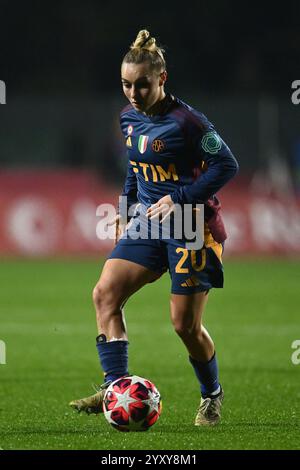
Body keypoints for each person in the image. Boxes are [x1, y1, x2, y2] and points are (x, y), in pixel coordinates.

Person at [70, 29, 239, 426]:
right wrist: (126, 210)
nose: (133, 92)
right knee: (105, 294)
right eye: (126, 84)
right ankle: (115, 388)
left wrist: (178, 199)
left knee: (184, 325)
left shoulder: (189, 122)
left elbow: (226, 165)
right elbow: (135, 168)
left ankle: (211, 394)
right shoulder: (128, 117)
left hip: (191, 226)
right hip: (147, 224)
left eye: (141, 84)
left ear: (161, 79)